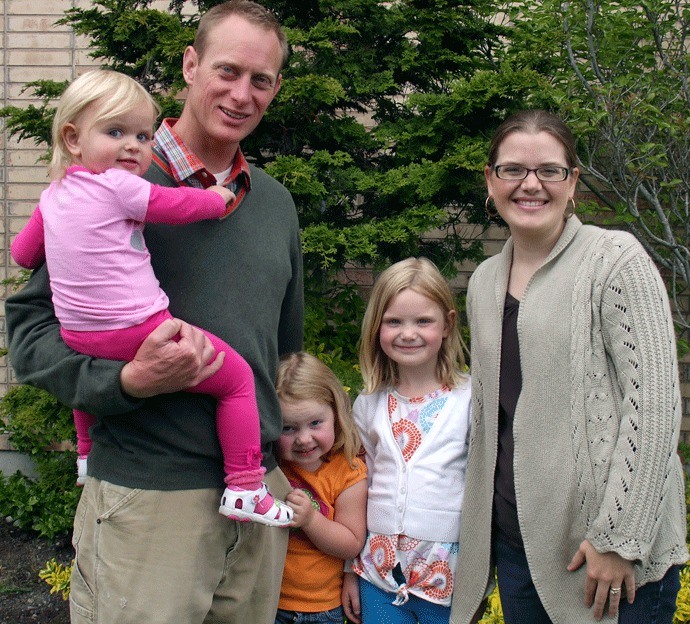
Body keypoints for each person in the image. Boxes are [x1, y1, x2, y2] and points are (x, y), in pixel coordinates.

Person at [4, 1, 304, 622]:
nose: (242, 93)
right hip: (150, 501)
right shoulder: (105, 177)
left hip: (255, 496)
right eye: (227, 71)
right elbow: (31, 335)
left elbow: (280, 349)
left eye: (261, 80)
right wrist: (124, 382)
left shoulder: (274, 204)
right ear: (191, 65)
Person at [450, 109, 689, 624]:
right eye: (513, 169)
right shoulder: (485, 282)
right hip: (520, 553)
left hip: (606, 560)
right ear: (490, 180)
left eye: (549, 171)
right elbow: (492, 422)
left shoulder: (614, 260)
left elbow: (656, 409)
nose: (530, 184)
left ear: (572, 180)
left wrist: (619, 540)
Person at [342, 257, 472, 624]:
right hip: (377, 573)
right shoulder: (368, 404)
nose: (407, 333)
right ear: (376, 327)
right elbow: (356, 487)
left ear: (447, 325)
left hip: (446, 575)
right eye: (394, 321)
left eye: (423, 321)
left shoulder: (469, 399)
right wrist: (350, 570)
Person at [274, 352, 368, 624]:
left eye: (315, 423)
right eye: (288, 428)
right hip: (269, 599)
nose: (304, 439)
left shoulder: (347, 472)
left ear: (337, 414)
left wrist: (311, 520)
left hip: (320, 608)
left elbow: (351, 543)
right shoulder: (273, 466)